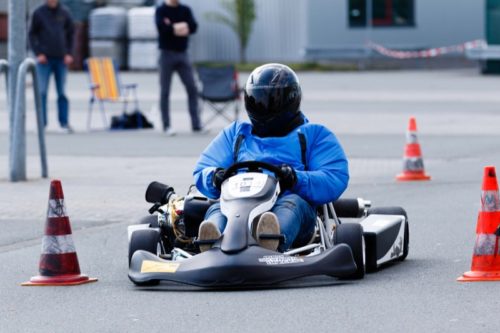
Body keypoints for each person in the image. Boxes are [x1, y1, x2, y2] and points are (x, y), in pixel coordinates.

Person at [193, 63, 349, 252]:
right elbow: (204, 167)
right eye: (258, 98)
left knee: (293, 204)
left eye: (270, 99)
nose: (263, 105)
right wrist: (214, 176)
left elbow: (335, 176)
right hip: (237, 206)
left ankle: (271, 241)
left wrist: (295, 178)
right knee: (218, 209)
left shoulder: (314, 135)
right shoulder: (236, 134)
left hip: (289, 204)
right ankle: (212, 239)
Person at [155, 0, 201, 136]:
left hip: (183, 54)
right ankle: (167, 125)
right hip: (166, 54)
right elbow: (162, 29)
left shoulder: (185, 10)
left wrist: (175, 27)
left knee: (192, 88)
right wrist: (181, 27)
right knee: (165, 91)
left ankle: (196, 124)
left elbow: (193, 27)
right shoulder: (161, 10)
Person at [29, 0, 75, 133]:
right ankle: (41, 123)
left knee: (62, 92)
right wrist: (38, 53)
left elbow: (71, 34)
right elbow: (31, 35)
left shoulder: (65, 12)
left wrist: (69, 53)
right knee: (42, 91)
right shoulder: (38, 13)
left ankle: (64, 122)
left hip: (61, 59)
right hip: (44, 60)